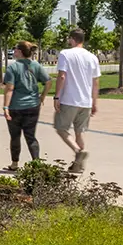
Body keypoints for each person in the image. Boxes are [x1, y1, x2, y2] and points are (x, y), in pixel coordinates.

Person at [49, 28, 101, 173]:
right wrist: (94, 102)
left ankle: (78, 151)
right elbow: (96, 82)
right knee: (80, 131)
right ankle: (78, 165)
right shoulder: (92, 57)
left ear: (72, 39)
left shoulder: (65, 54)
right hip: (86, 102)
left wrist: (57, 96)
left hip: (69, 99)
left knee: (61, 128)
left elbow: (62, 76)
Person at [2, 40, 50, 171]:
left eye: (15, 49)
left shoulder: (12, 68)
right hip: (33, 106)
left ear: (20, 51)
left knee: (15, 136)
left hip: (15, 107)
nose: (14, 51)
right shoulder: (36, 66)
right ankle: (36, 164)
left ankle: (14, 164)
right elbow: (48, 82)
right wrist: (42, 97)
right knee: (30, 135)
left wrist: (5, 107)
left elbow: (9, 89)